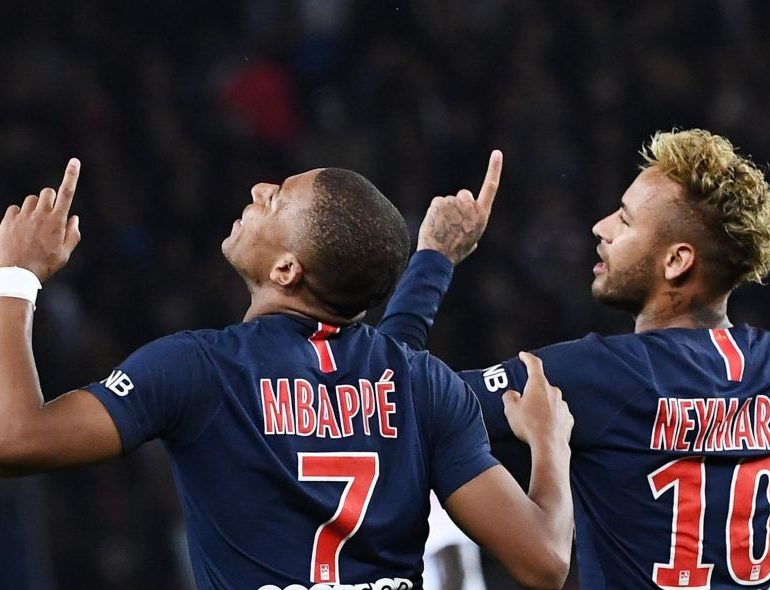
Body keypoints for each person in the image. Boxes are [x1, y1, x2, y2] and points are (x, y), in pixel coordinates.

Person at [0, 158, 575, 590]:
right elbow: (545, 562)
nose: (258, 189)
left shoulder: (198, 370)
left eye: (275, 200)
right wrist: (549, 442)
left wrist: (16, 275)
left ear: (286, 269)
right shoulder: (424, 385)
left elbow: (15, 439)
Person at [381, 129, 770, 589]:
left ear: (676, 261)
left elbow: (387, 398)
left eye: (625, 220)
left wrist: (434, 257)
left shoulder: (598, 376)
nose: (601, 227)